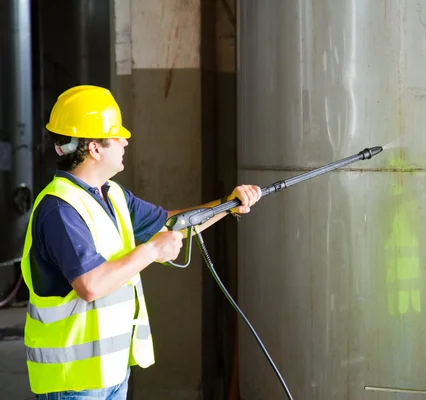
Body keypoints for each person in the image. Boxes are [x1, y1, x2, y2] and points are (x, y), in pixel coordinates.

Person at [20, 85, 262, 399]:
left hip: (111, 371)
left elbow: (174, 224)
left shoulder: (112, 195)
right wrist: (150, 251)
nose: (125, 140)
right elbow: (90, 285)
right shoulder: (60, 210)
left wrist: (228, 205)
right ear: (95, 148)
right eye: (117, 135)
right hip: (73, 383)